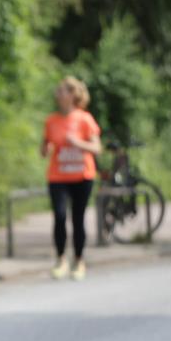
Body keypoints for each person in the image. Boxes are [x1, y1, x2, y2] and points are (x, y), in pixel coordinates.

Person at [40, 76, 102, 280]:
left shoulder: (84, 119)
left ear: (72, 95)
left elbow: (97, 148)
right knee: (59, 216)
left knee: (78, 218)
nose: (57, 94)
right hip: (58, 176)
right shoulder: (51, 120)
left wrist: (77, 143)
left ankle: (79, 260)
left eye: (62, 90)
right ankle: (60, 259)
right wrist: (45, 147)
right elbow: (45, 147)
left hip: (82, 176)